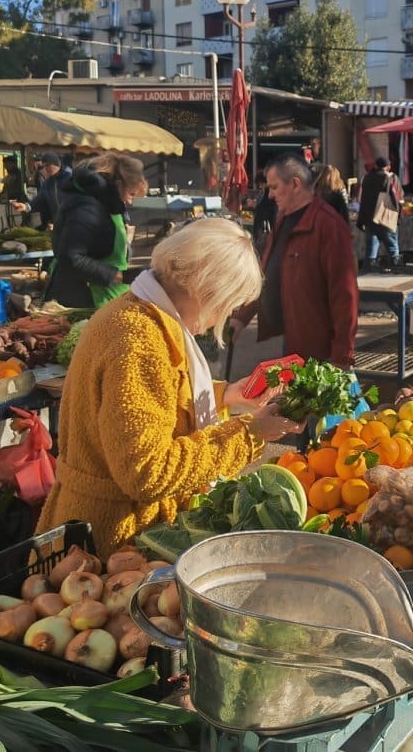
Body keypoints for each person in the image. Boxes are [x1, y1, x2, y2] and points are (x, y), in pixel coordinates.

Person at [35, 219, 303, 557]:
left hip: (108, 532)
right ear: (204, 290)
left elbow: (157, 402)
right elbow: (147, 471)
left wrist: (225, 395)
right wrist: (251, 433)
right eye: (228, 303)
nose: (223, 314)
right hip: (109, 545)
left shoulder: (137, 313)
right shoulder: (139, 339)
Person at [230, 154, 358, 369]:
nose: (269, 195)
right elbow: (266, 274)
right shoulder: (283, 219)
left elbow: (344, 295)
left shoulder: (328, 225)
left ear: (295, 184)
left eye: (274, 187)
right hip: (289, 344)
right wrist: (241, 317)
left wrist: (342, 356)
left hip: (318, 353)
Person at [45, 153, 148, 309]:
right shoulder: (87, 208)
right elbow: (71, 258)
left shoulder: (106, 204)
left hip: (104, 296)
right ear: (119, 184)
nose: (130, 201)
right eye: (131, 194)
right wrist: (121, 276)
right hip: (81, 297)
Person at [357, 157, 404, 268]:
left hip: (370, 220)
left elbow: (360, 199)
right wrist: (399, 218)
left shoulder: (366, 178)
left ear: (375, 166)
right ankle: (396, 272)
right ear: (388, 167)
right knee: (393, 250)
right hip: (387, 219)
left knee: (371, 252)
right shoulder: (391, 178)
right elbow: (399, 199)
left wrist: (361, 220)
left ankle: (368, 274)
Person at [12, 152, 71, 230]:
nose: (45, 169)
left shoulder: (70, 179)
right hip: (55, 225)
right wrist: (26, 206)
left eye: (47, 165)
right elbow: (39, 200)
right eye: (43, 166)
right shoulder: (47, 184)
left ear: (56, 165)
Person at [250, 169, 277, 256]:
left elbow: (264, 206)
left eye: (261, 184)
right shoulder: (266, 191)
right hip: (267, 217)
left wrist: (255, 206)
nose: (260, 186)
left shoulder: (269, 192)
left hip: (267, 216)